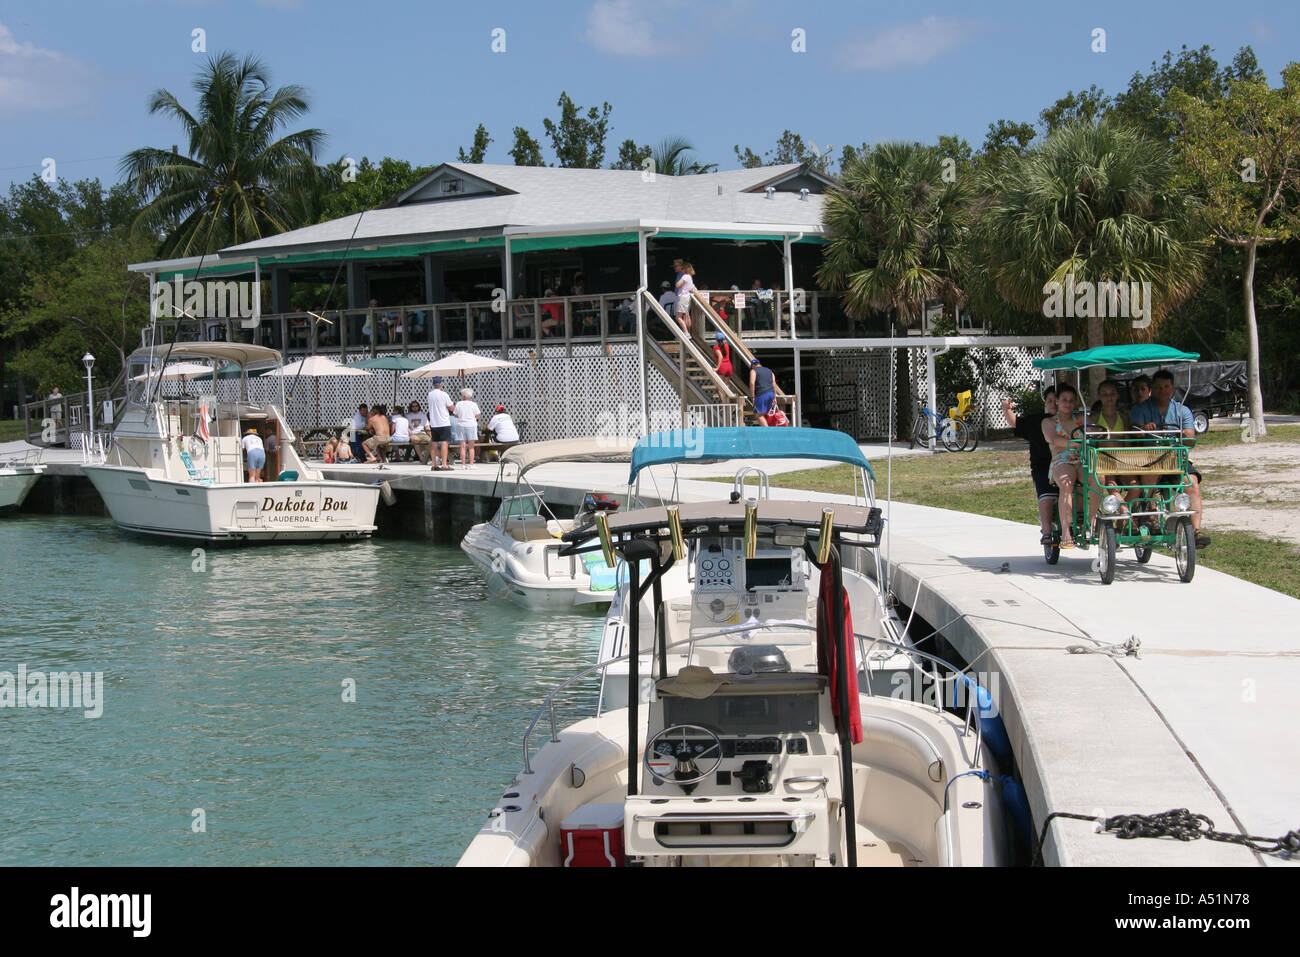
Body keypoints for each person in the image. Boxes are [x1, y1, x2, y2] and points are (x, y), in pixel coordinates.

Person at [1130, 368, 1209, 548]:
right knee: (1151, 473)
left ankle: (1196, 530)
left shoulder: (1182, 410)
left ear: (1172, 388)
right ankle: (1149, 512)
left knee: (1193, 483)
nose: (1162, 391)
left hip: (1176, 459)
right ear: (1152, 389)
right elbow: (1135, 427)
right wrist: (1144, 429)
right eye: (1158, 387)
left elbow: (1190, 437)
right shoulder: (1141, 408)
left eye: (1166, 387)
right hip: (1149, 459)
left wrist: (1184, 434)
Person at [1002, 387, 1059, 545]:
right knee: (1047, 495)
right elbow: (1015, 423)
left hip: (1067, 464)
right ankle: (1047, 531)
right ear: (1045, 402)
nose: (1053, 404)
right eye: (1049, 401)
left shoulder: (1072, 420)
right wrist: (1006, 409)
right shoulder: (1037, 420)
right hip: (1044, 466)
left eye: (1056, 400)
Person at [1041, 384, 1086, 549]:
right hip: (1061, 460)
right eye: (1064, 400)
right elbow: (1053, 439)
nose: (1068, 403)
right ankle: (1066, 533)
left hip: (1081, 460)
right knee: (1067, 484)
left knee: (1097, 479)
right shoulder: (1049, 422)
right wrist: (1073, 444)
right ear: (1058, 401)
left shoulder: (1081, 420)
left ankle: (1091, 522)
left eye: (1071, 401)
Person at [1088, 378, 1136, 512]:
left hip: (1122, 459)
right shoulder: (1095, 417)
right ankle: (1126, 514)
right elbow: (1091, 441)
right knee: (1112, 486)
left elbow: (1127, 440)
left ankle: (1122, 519)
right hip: (1104, 460)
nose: (1109, 397)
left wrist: (1128, 460)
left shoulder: (1124, 416)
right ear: (1099, 396)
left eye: (1112, 393)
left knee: (1136, 487)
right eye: (1105, 394)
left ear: (1117, 395)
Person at [426, 377, 455, 471]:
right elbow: (451, 407)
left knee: (434, 443)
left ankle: (434, 464)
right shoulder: (444, 394)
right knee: (444, 443)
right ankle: (444, 464)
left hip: (434, 422)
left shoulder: (430, 394)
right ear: (441, 384)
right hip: (443, 421)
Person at [452, 387, 481, 466]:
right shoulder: (474, 404)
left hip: (461, 425)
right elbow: (478, 415)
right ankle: (471, 464)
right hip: (471, 424)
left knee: (462, 446)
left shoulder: (458, 404)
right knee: (471, 446)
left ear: (464, 396)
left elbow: (455, 414)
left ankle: (463, 464)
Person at [749, 358, 780, 427]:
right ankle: (768, 428)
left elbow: (752, 383)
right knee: (766, 413)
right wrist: (775, 397)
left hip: (761, 393)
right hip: (771, 393)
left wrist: (752, 397)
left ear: (752, 365)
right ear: (759, 364)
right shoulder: (769, 371)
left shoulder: (753, 371)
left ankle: (767, 431)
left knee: (758, 415)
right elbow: (774, 383)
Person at [674, 262, 696, 337]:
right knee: (686, 316)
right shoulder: (690, 277)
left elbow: (677, 285)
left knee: (678, 317)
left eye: (682, 268)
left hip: (682, 297)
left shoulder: (685, 276)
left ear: (685, 269)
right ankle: (688, 332)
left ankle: (686, 332)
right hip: (687, 298)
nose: (681, 270)